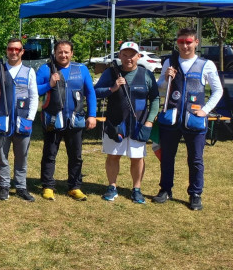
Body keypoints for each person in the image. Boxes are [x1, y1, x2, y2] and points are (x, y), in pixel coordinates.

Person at [154, 28, 222, 210]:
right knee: (167, 157)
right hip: (171, 118)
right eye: (181, 41)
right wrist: (166, 79)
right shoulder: (170, 61)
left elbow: (218, 90)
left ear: (196, 43)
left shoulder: (206, 64)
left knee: (196, 159)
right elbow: (160, 88)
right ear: (177, 42)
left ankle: (195, 194)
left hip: (194, 120)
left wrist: (206, 110)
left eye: (188, 42)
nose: (184, 45)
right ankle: (165, 190)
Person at [94, 42, 159, 204]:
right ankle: (112, 186)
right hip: (116, 123)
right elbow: (96, 92)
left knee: (137, 158)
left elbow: (155, 99)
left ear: (138, 56)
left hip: (139, 123)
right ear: (120, 56)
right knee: (113, 156)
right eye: (125, 54)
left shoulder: (146, 74)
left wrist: (150, 121)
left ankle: (136, 189)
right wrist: (112, 89)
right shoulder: (111, 73)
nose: (128, 58)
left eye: (132, 54)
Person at [36, 40, 97, 201]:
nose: (63, 55)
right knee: (49, 154)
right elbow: (34, 89)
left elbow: (90, 93)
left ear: (72, 53)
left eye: (66, 52)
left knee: (76, 155)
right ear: (55, 53)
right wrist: (49, 83)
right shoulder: (45, 69)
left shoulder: (81, 69)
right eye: (60, 52)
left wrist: (92, 115)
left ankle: (75, 187)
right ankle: (48, 186)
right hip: (53, 120)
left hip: (75, 120)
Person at [0, 38, 38, 202]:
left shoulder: (29, 72)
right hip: (2, 120)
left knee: (22, 156)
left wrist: (30, 118)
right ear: (6, 51)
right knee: (2, 156)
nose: (13, 52)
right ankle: (4, 186)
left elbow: (34, 96)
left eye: (17, 49)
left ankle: (21, 187)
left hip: (23, 121)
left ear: (22, 51)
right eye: (10, 49)